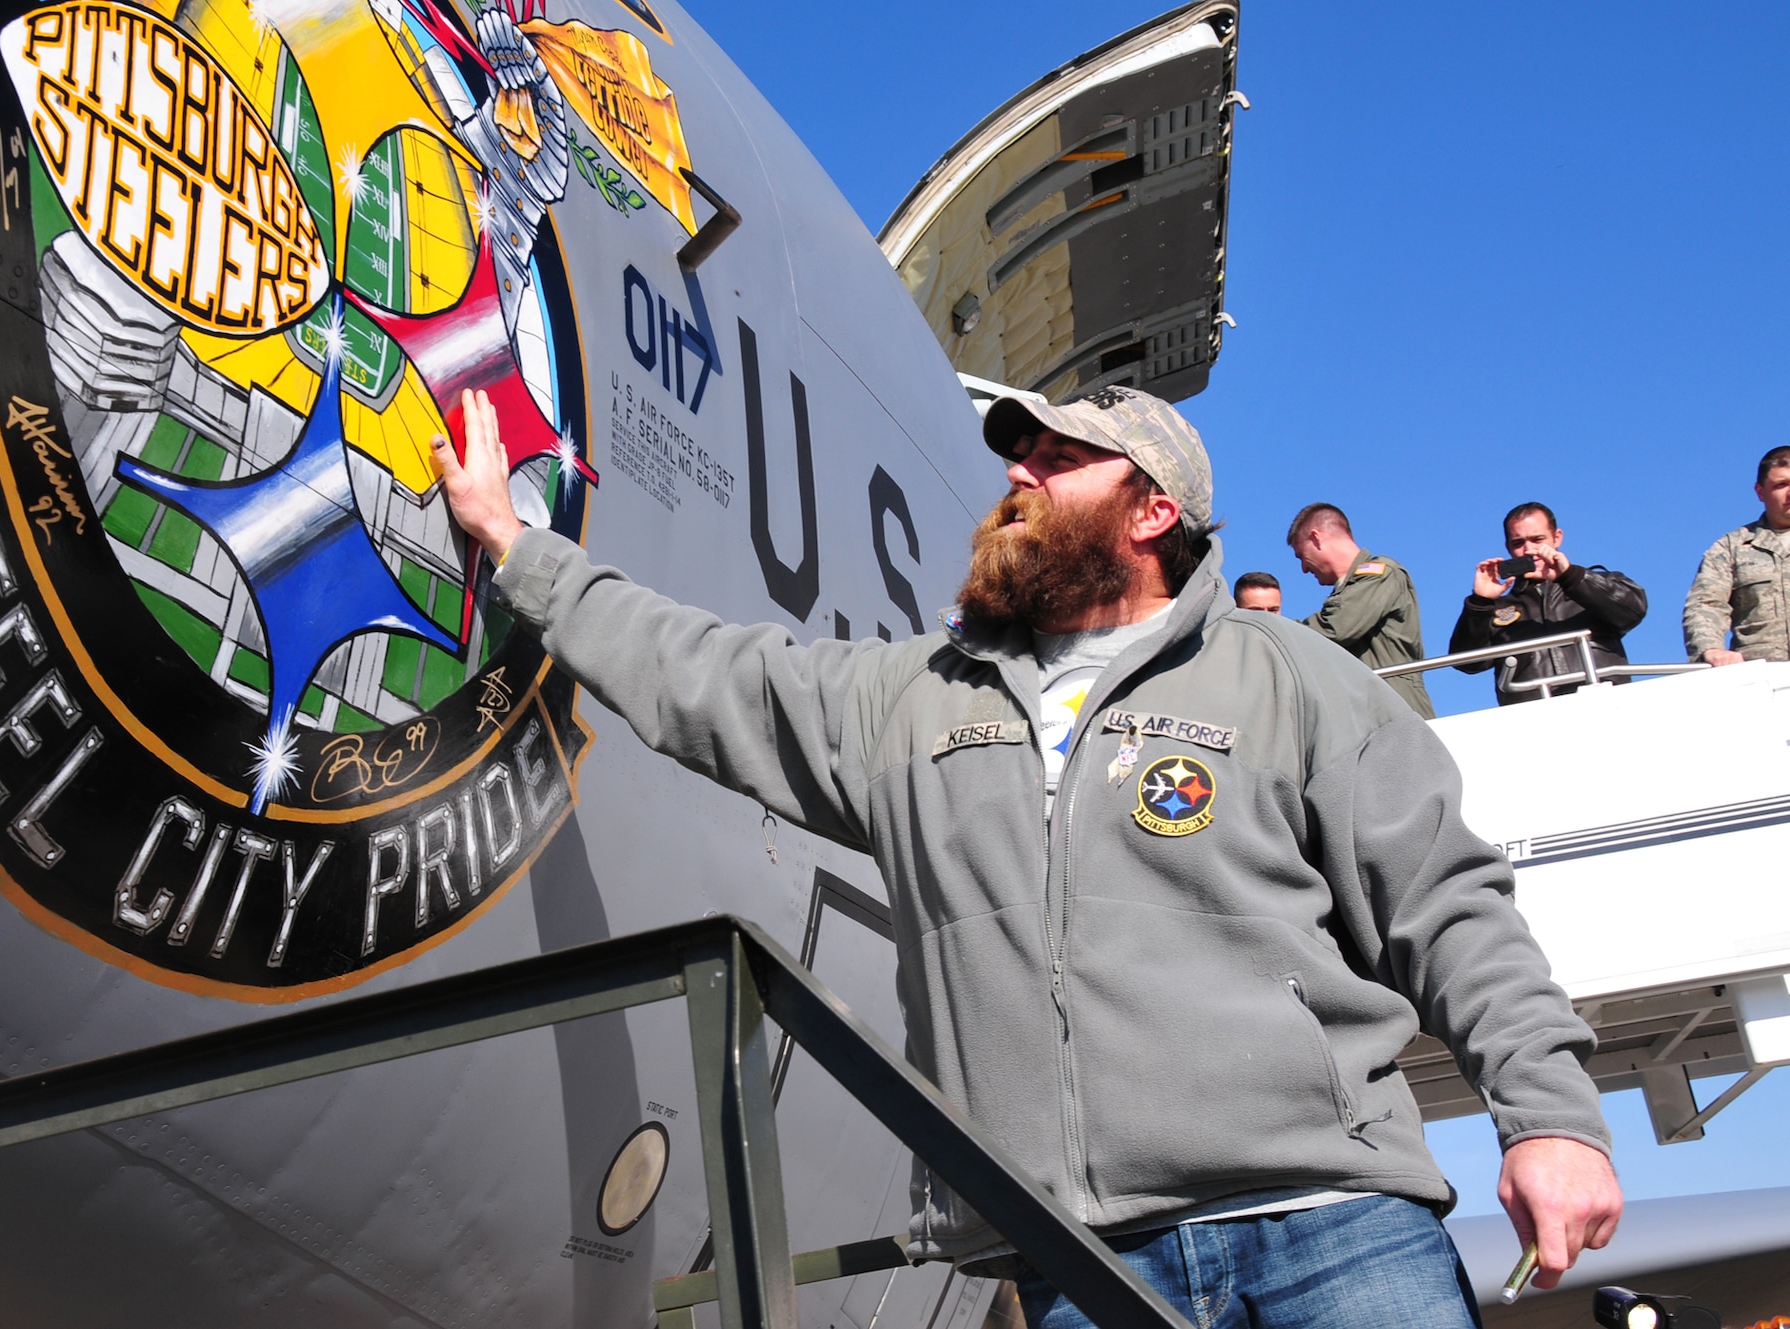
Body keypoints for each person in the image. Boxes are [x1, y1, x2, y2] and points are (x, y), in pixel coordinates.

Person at [436, 386, 1619, 1329]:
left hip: (1332, 1227)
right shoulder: (907, 699)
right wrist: (517, 547)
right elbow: (700, 674)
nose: (1019, 475)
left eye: (1058, 461)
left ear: (1151, 511)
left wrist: (1550, 1116)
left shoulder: (1288, 675)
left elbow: (1447, 907)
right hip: (1080, 1264)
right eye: (1020, 456)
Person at [1449, 503, 1646, 705]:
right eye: (1518, 543)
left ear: (1557, 537)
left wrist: (1570, 577)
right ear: (1508, 547)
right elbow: (1468, 663)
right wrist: (1480, 602)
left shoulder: (1593, 583)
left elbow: (1633, 610)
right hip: (1535, 719)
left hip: (1605, 705)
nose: (1529, 550)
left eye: (1537, 539)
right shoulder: (1497, 608)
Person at [1286, 504, 1436, 720]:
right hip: (1368, 715)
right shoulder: (1349, 590)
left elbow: (1334, 629)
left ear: (1316, 538)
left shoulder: (1380, 574)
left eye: (1301, 555)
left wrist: (1271, 630)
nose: (1304, 569)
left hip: (1397, 713)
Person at [1683, 446, 1790, 666]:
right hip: (1762, 682)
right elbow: (1706, 604)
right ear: (1760, 492)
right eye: (1781, 485)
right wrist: (1710, 649)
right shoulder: (1732, 547)